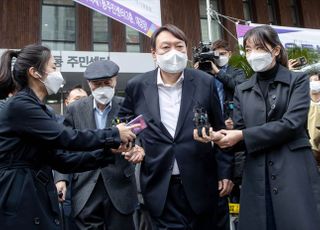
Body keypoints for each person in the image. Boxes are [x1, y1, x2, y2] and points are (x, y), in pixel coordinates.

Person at [195, 25, 320, 230]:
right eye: (249, 49)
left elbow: (291, 124)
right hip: (257, 174)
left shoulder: (296, 81)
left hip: (293, 168)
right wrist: (220, 138)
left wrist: (241, 135)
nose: (253, 55)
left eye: (259, 48)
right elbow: (239, 133)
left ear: (276, 50)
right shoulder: (243, 89)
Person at [0, 44, 137, 230]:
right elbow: (66, 137)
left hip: (35, 188)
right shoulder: (21, 106)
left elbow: (62, 159)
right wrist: (113, 134)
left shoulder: (38, 108)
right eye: (54, 67)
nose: (58, 72)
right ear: (35, 72)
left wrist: (108, 153)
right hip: (18, 191)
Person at [118, 24, 234, 229]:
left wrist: (225, 172)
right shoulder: (137, 86)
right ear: (153, 53)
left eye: (179, 46)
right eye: (165, 47)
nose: (173, 52)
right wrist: (133, 146)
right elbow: (125, 124)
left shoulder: (205, 82)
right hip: (159, 186)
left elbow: (220, 128)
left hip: (203, 184)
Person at [54, 60, 144, 230]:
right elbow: (63, 145)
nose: (103, 87)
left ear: (115, 80)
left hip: (120, 187)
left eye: (107, 83)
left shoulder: (128, 105)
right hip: (85, 187)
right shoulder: (76, 109)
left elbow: (141, 137)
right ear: (89, 84)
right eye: (97, 84)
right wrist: (61, 179)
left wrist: (139, 149)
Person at [307, 72, 320, 167]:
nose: (313, 82)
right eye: (310, 81)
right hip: (310, 147)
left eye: (316, 80)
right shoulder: (304, 102)